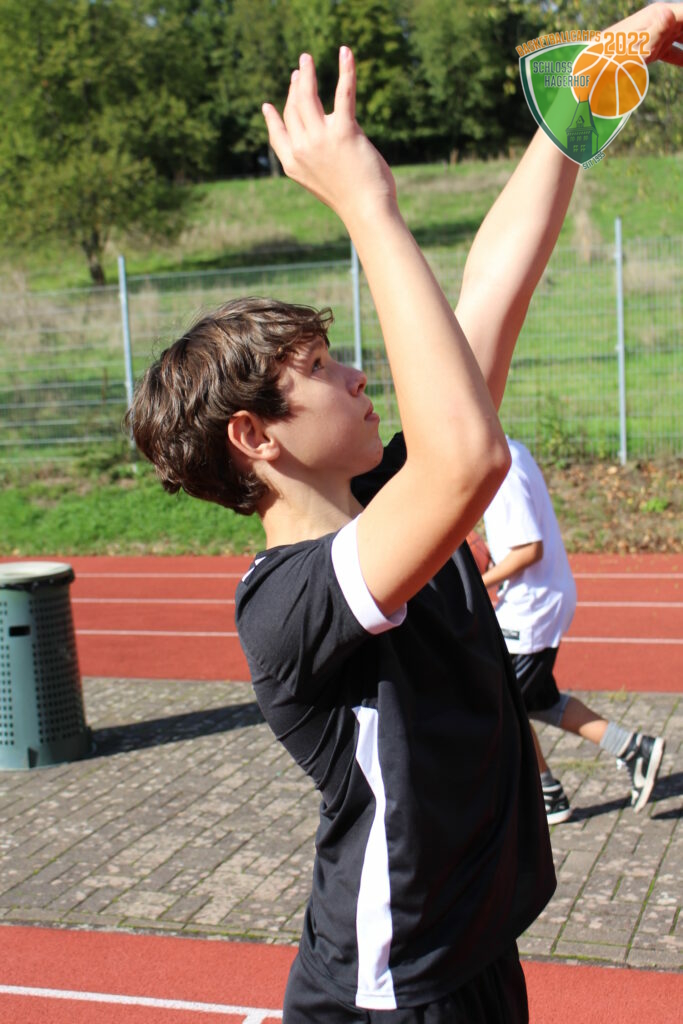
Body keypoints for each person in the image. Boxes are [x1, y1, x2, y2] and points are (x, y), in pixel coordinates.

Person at [126, 8, 682, 1021]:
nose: (356, 374)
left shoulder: (388, 496)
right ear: (255, 435)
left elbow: (492, 285)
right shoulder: (287, 601)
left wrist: (597, 75)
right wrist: (365, 205)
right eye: (320, 368)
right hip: (386, 997)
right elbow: (468, 459)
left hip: (473, 959)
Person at [482, 438, 665, 823]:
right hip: (535, 600)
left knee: (498, 706)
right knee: (537, 700)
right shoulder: (508, 452)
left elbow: (528, 549)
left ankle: (543, 794)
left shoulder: (503, 466)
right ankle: (632, 749)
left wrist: (480, 582)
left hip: (532, 607)